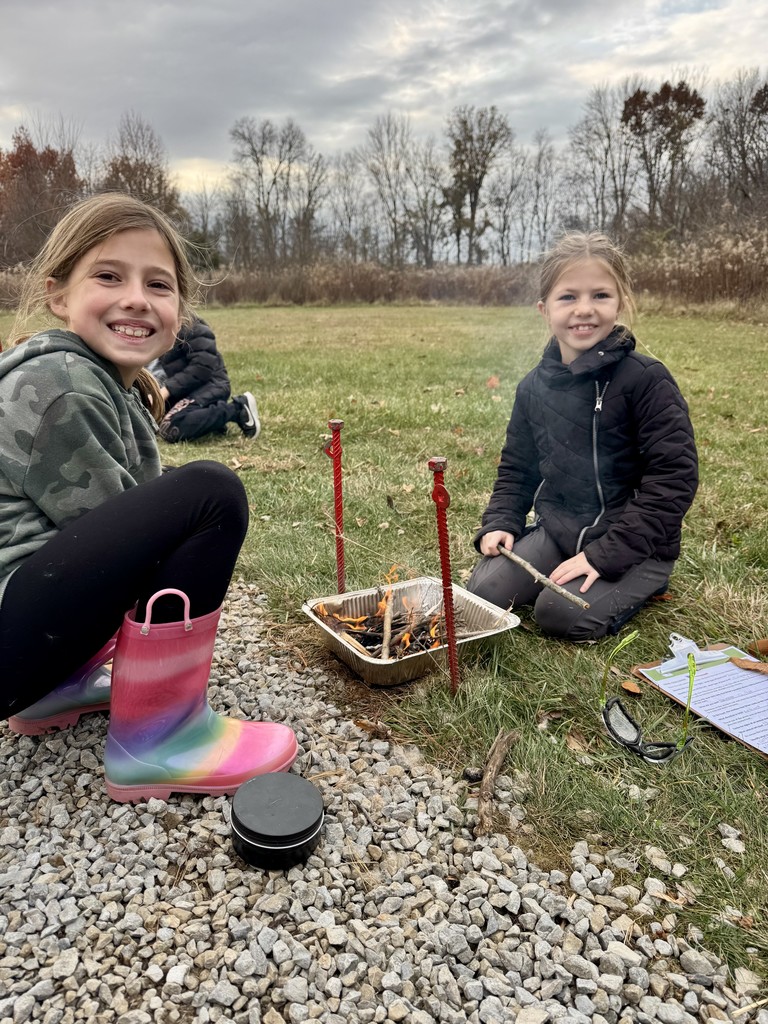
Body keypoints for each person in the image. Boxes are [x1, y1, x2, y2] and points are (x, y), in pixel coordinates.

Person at [0, 193, 297, 801]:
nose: (137, 297)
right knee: (212, 493)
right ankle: (158, 738)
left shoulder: (100, 377)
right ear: (59, 294)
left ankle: (55, 689)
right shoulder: (60, 387)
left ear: (179, 312)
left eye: (158, 284)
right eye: (109, 276)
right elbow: (129, 560)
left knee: (184, 500)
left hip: (22, 637)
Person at [467, 232, 698, 641]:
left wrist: (606, 555)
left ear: (620, 302)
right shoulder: (533, 388)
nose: (585, 310)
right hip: (560, 531)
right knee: (484, 592)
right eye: (568, 297)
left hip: (636, 546)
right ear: (544, 308)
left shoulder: (647, 381)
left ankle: (647, 581)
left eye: (600, 296)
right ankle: (564, 563)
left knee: (559, 615)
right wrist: (501, 520)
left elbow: (673, 479)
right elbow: (517, 467)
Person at [150, 316, 261, 443]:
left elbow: (202, 367)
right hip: (183, 393)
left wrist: (165, 391)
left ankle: (237, 409)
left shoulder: (193, 328)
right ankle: (211, 421)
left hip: (210, 386)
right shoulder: (151, 335)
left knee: (170, 428)